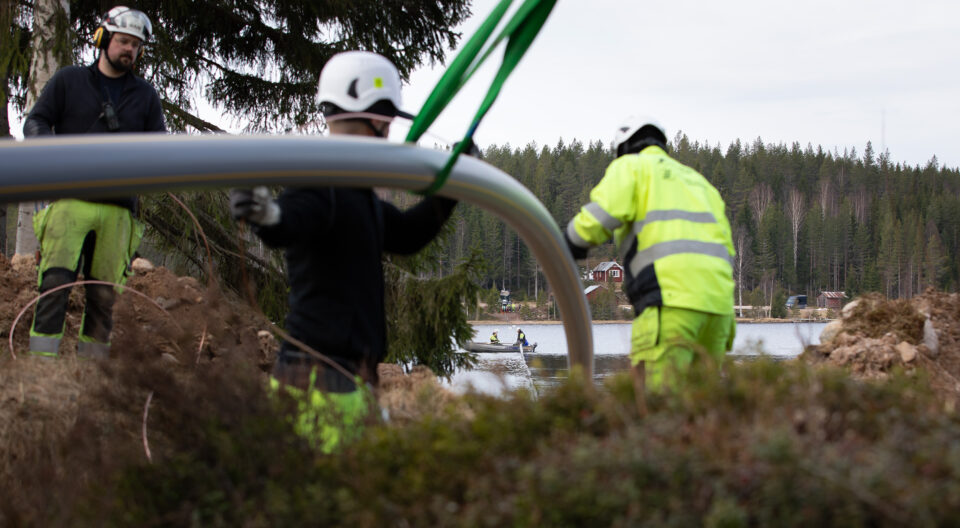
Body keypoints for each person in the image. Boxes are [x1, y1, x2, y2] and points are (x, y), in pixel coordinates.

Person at [229, 51, 458, 451]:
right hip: (318, 377)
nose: (389, 133)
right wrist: (266, 215)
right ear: (374, 116)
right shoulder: (322, 182)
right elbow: (289, 222)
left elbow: (405, 235)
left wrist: (452, 188)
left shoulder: (358, 191)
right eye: (386, 122)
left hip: (342, 376)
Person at [23, 6, 165, 359]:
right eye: (122, 41)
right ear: (103, 39)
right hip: (69, 202)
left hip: (118, 211)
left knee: (104, 295)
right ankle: (41, 369)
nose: (128, 50)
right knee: (54, 284)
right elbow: (36, 122)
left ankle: (92, 374)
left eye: (135, 45)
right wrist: (51, 153)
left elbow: (161, 147)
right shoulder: (69, 81)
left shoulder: (146, 96)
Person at [565, 116, 735, 390]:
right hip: (719, 310)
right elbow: (728, 249)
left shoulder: (631, 167)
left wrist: (567, 242)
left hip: (670, 305)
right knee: (705, 409)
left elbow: (599, 219)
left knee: (658, 406)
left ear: (624, 148)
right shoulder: (699, 182)